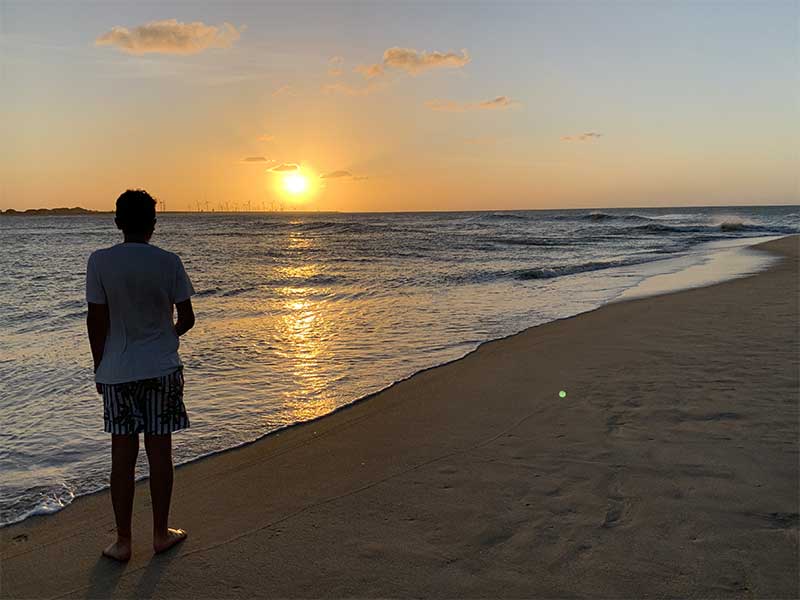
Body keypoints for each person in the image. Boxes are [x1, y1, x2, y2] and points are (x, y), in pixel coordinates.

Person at [85, 189, 195, 561]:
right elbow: (188, 318)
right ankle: (161, 534)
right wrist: (166, 336)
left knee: (123, 455)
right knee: (160, 453)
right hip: (162, 368)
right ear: (153, 224)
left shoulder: (100, 262)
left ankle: (123, 541)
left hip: (118, 370)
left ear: (118, 223)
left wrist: (100, 365)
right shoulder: (169, 262)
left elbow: (96, 321)